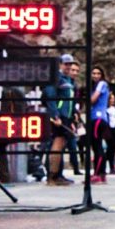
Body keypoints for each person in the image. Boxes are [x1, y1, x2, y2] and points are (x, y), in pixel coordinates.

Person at [41, 54, 76, 186]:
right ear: (60, 64)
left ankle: (58, 175)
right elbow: (50, 97)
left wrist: (72, 117)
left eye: (69, 64)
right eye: (65, 64)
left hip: (66, 117)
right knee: (57, 144)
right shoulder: (56, 78)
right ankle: (52, 176)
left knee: (61, 146)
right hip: (58, 117)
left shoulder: (68, 80)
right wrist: (55, 116)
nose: (68, 66)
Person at [89, 65, 113, 182]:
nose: (96, 76)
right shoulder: (94, 86)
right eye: (93, 73)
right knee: (97, 146)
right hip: (97, 117)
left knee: (97, 146)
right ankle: (101, 174)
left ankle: (98, 174)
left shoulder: (101, 84)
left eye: (98, 73)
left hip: (97, 117)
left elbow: (93, 99)